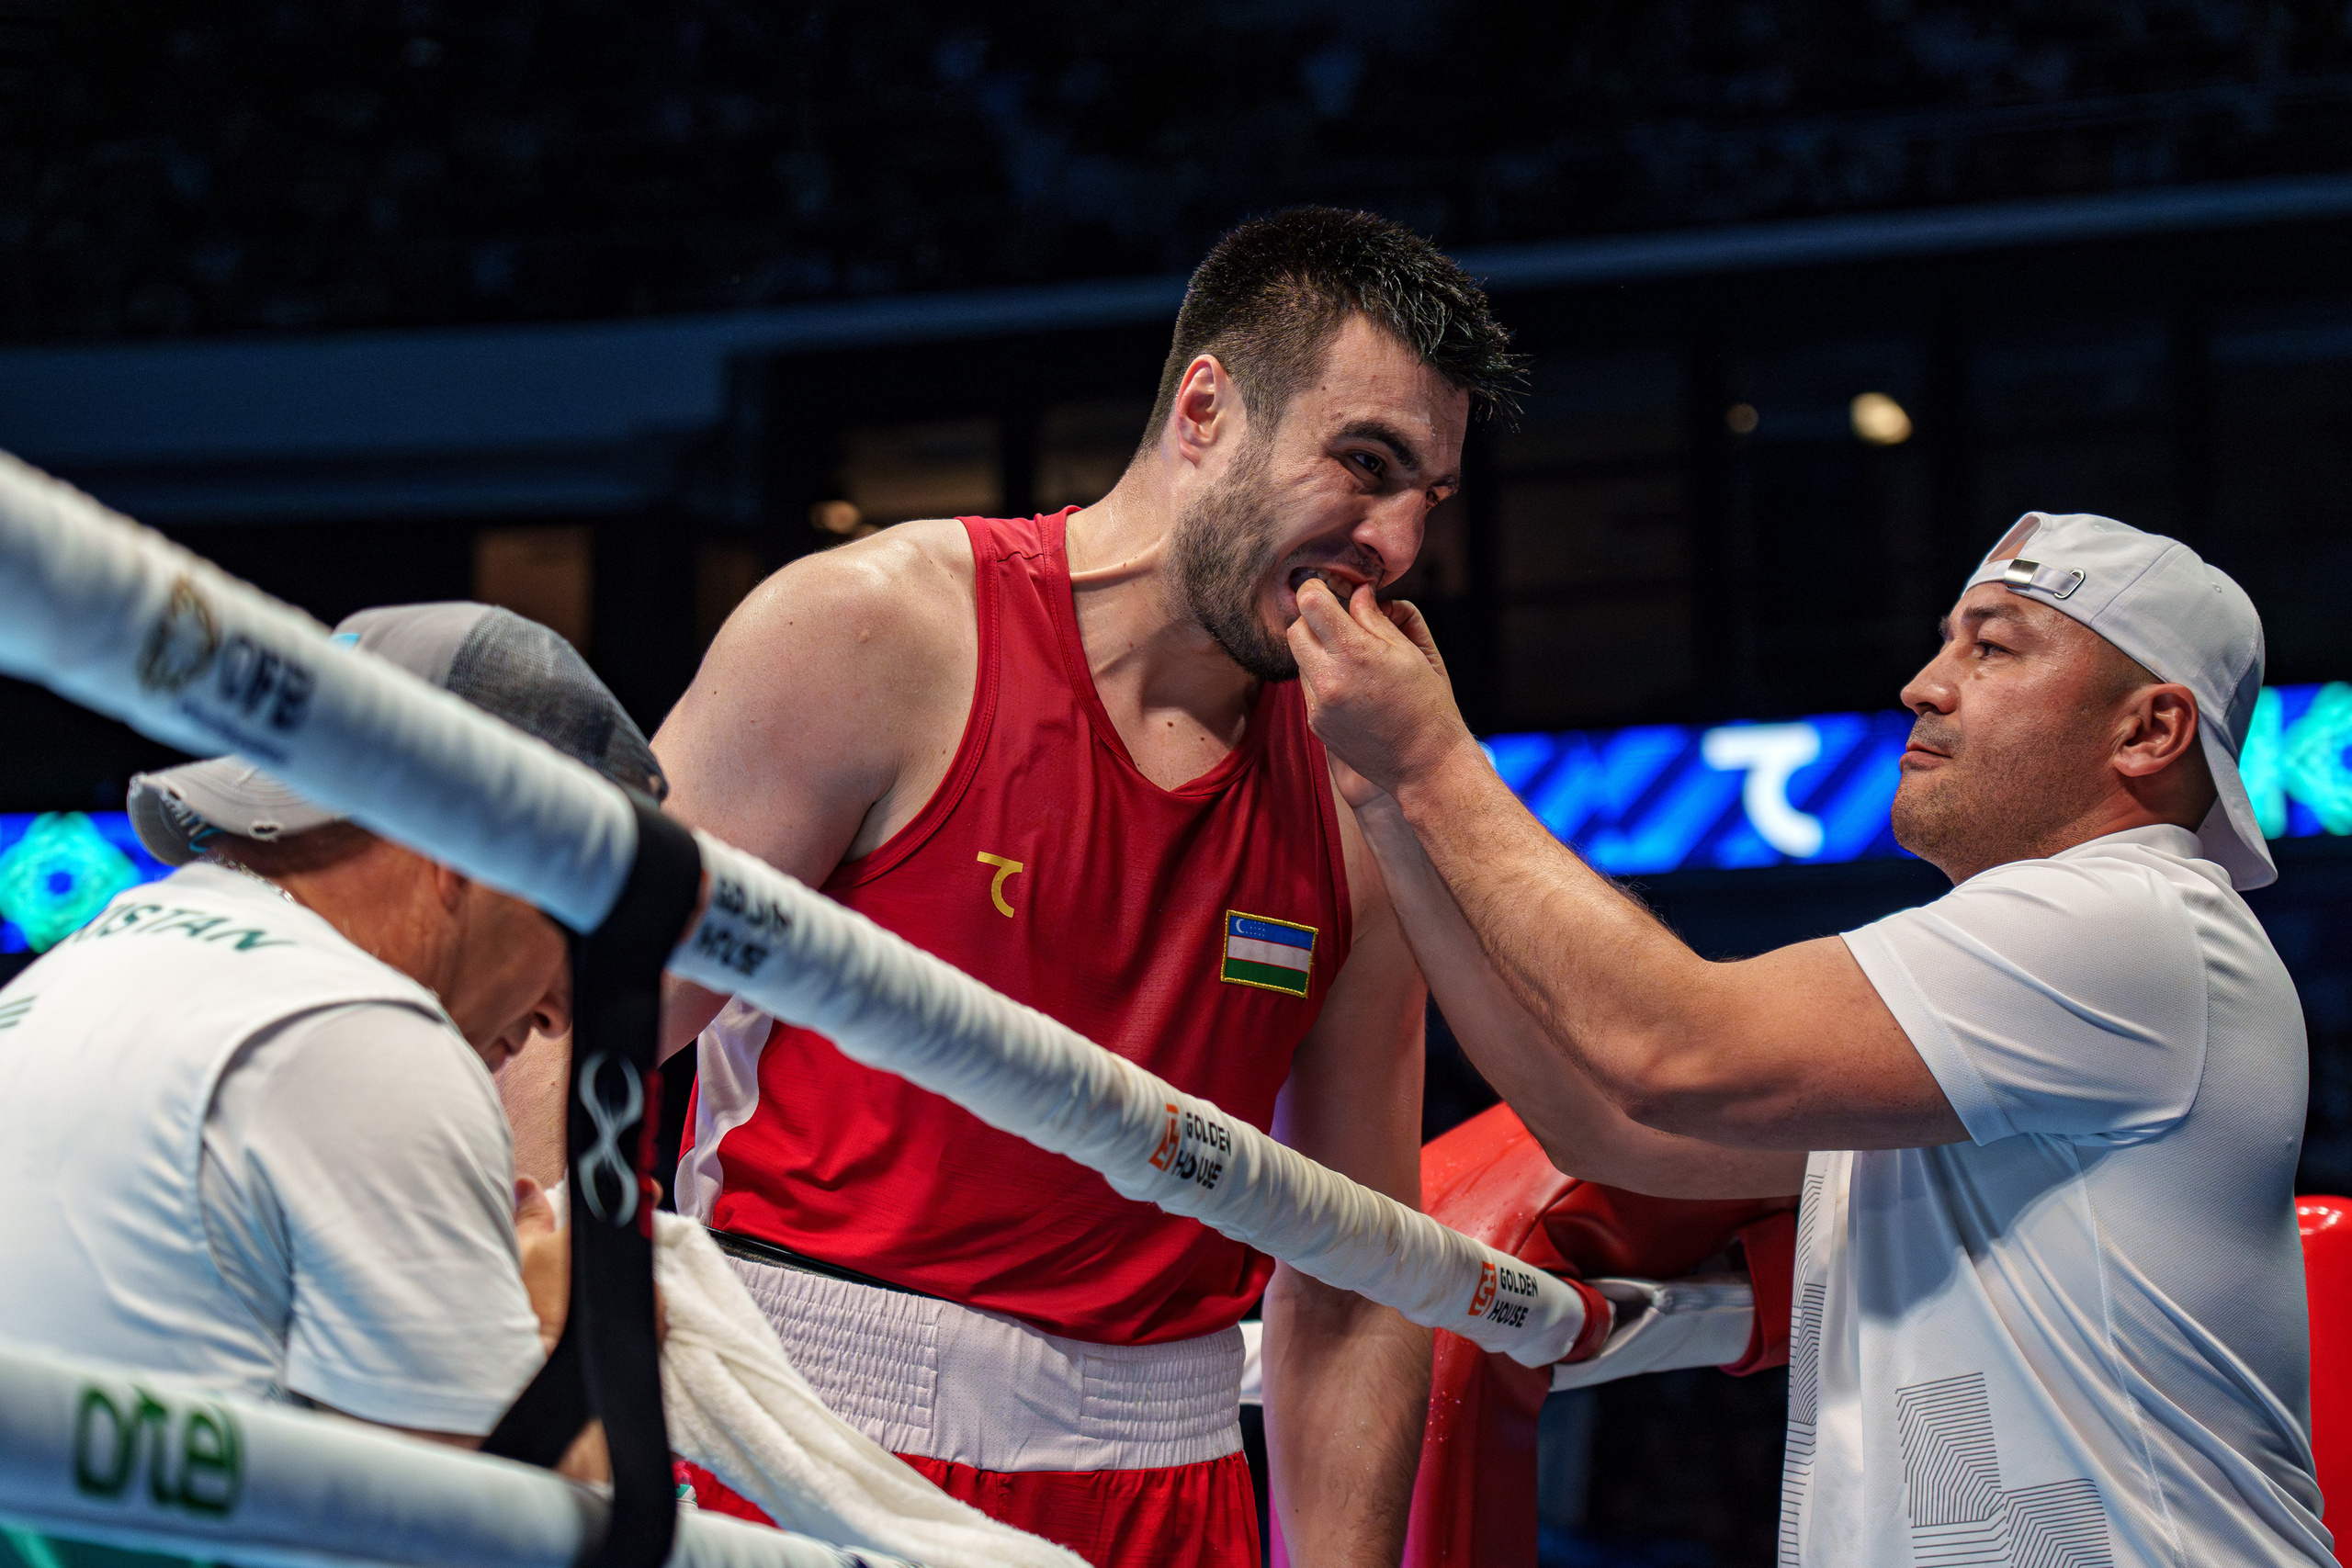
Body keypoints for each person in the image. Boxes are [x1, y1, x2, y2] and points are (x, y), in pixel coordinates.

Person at [653, 207, 1521, 1568]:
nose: (1397, 542)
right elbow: (566, 1019)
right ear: (1204, 409)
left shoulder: (1360, 782)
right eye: (1365, 463)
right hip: (805, 1438)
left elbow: (1356, 1261)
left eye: (1431, 495)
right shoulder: (875, 633)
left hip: (1170, 1482)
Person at [1287, 512, 2329, 1565]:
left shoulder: (2137, 923)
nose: (1923, 683)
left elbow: (1670, 1050)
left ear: (2148, 732)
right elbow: (1605, 1120)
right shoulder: (2003, 1025)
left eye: (1993, 645)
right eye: (1944, 638)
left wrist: (1432, 755)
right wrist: (1386, 802)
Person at [0, 602, 667, 1457]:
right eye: (576, 917)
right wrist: (580, 1323)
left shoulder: (91, 962)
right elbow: (499, 1544)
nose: (559, 1010)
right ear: (465, 845)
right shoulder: (362, 1037)